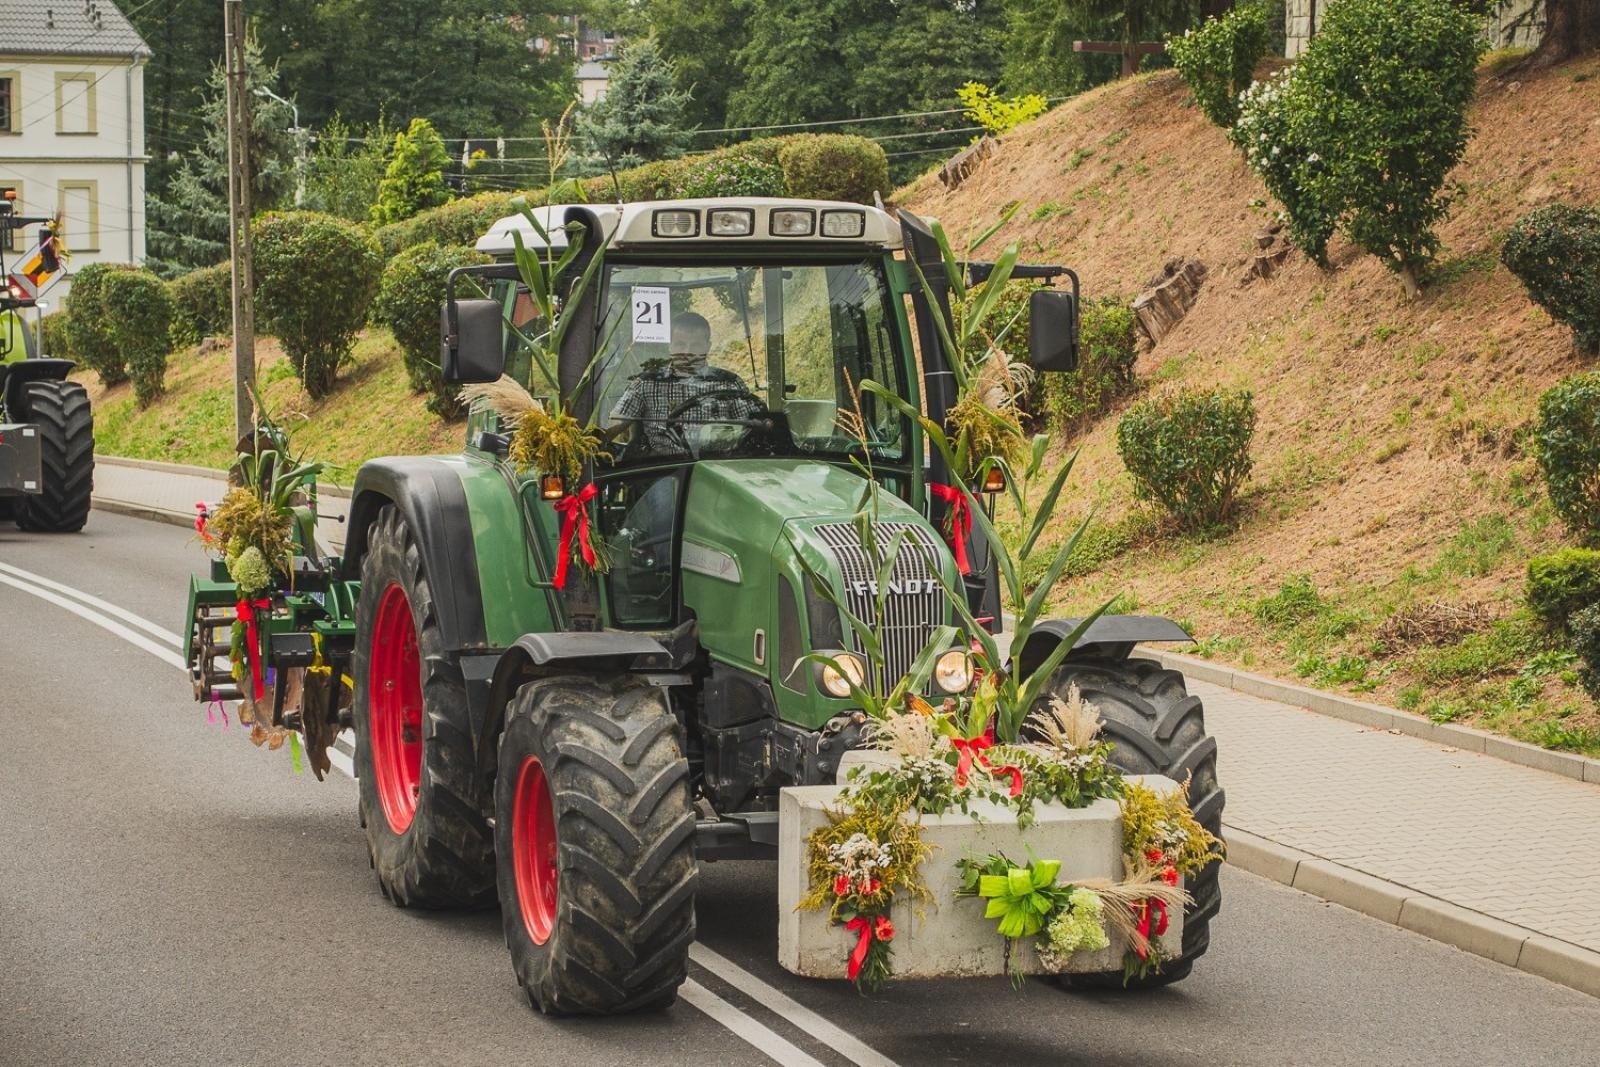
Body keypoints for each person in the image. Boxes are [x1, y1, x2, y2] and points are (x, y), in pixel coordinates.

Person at [608, 311, 763, 456]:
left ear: (707, 347)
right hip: (662, 469)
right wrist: (590, 444)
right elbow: (615, 424)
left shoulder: (729, 384)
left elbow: (754, 432)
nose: (687, 352)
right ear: (670, 346)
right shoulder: (646, 383)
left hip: (717, 466)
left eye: (695, 346)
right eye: (680, 344)